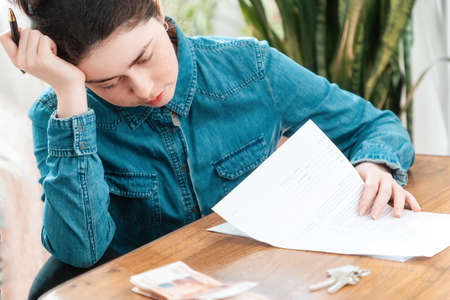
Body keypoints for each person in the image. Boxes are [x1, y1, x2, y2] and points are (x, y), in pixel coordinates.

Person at [0, 0, 421, 299]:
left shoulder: (250, 68)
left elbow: (373, 125)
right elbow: (80, 250)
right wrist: (73, 98)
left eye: (145, 56)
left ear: (158, 10)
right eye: (109, 83)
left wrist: (375, 164)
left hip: (263, 283)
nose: (144, 89)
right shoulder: (58, 115)